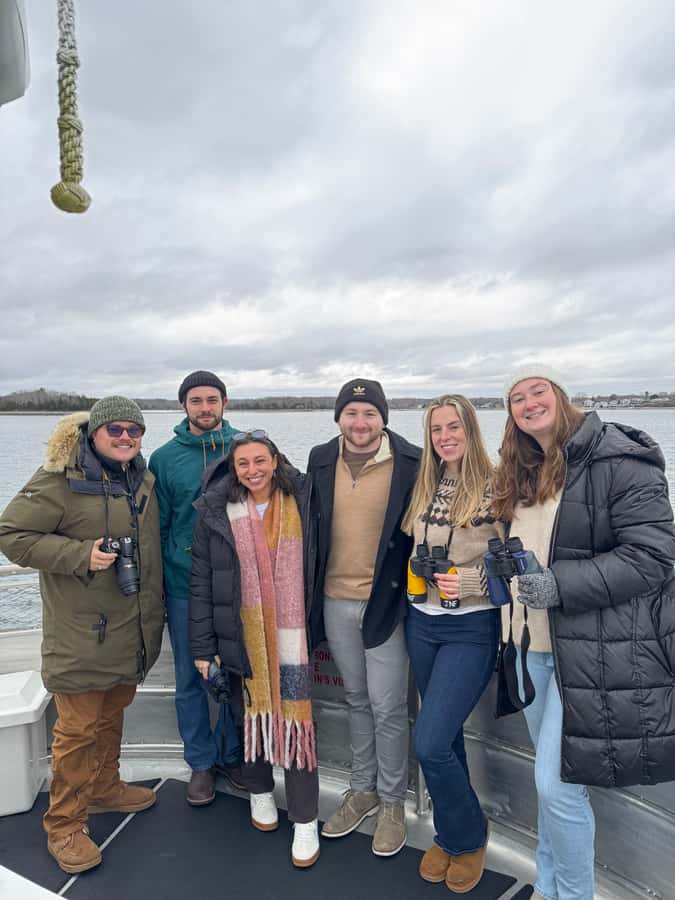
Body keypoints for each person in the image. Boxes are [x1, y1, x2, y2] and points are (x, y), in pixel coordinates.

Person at [492, 365, 675, 900]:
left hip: (593, 654)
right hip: (531, 650)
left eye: (537, 390)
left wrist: (558, 585)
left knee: (557, 786)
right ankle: (548, 888)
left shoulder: (619, 459)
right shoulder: (524, 469)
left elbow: (652, 556)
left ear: (560, 395)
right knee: (550, 791)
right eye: (516, 397)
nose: (528, 402)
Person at [0, 397, 164, 875]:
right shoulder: (59, 480)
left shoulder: (142, 478)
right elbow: (11, 534)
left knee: (113, 715)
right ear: (93, 432)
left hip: (129, 629)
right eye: (116, 429)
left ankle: (104, 787)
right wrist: (80, 555)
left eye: (135, 430)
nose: (127, 438)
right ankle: (65, 823)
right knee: (75, 732)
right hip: (81, 635)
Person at [189, 430, 321, 867]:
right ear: (233, 467)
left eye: (260, 461)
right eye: (243, 463)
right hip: (241, 633)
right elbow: (202, 583)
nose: (253, 471)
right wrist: (203, 647)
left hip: (292, 635)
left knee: (298, 721)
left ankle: (304, 820)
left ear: (275, 459)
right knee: (253, 713)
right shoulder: (215, 511)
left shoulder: (303, 499)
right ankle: (260, 793)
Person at [308, 378, 421, 856]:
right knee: (357, 698)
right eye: (351, 413)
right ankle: (363, 789)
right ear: (339, 419)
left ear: (383, 418)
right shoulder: (319, 459)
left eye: (369, 413)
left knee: (389, 706)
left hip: (386, 603)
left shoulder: (413, 461)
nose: (360, 423)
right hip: (334, 599)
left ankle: (393, 802)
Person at [401, 395, 501, 892]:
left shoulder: (499, 485)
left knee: (430, 742)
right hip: (422, 622)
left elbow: (518, 560)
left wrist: (472, 581)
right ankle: (450, 833)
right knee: (447, 738)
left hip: (471, 628)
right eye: (437, 428)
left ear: (471, 429)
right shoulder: (425, 483)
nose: (445, 436)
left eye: (454, 426)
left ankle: (469, 834)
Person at [149, 370, 243, 806]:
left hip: (236, 583)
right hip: (184, 583)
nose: (205, 408)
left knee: (234, 673)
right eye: (196, 401)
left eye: (212, 400)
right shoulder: (164, 459)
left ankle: (231, 755)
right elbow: (160, 526)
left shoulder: (246, 448)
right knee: (191, 678)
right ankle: (200, 763)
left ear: (225, 403)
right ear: (183, 406)